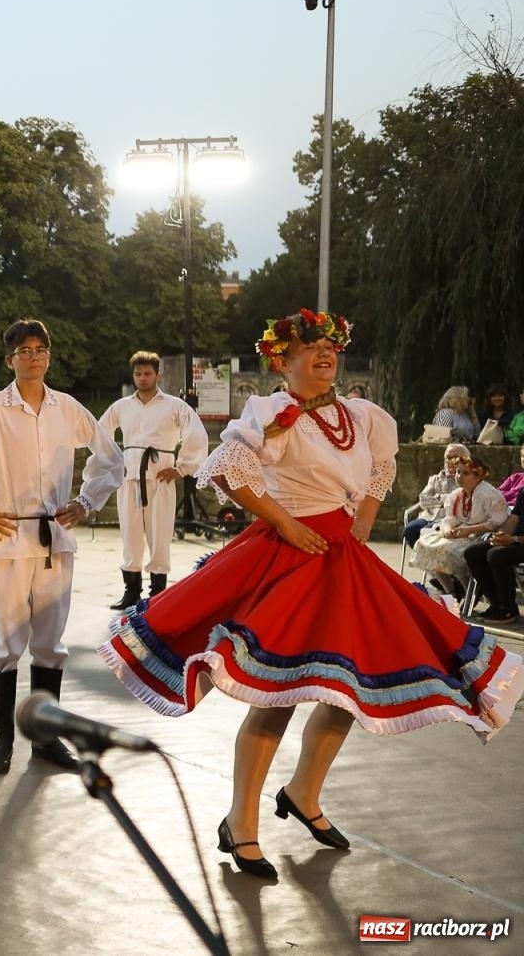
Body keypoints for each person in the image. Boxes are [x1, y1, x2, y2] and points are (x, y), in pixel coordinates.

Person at [100, 309, 521, 881]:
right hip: (288, 553)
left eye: (331, 346)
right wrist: (287, 522)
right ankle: (240, 823)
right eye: (311, 347)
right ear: (284, 359)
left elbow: (378, 474)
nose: (325, 355)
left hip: (340, 555)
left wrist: (358, 531)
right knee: (277, 694)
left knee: (347, 685)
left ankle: (303, 792)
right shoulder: (271, 411)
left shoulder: (364, 416)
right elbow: (230, 470)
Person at [0, 319, 125, 773]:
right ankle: (1, 740)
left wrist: (86, 501)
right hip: (7, 536)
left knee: (50, 643)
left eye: (40, 349)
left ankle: (46, 739)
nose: (33, 357)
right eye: (24, 350)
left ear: (49, 356)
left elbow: (109, 457)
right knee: (6, 641)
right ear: (9, 359)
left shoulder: (67, 408)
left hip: (55, 534)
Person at [97, 350, 208, 611]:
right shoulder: (121, 406)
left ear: (158, 375)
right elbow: (99, 434)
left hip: (161, 479)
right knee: (130, 535)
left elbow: (197, 435)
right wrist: (113, 464)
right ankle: (131, 592)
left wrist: (181, 468)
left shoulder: (174, 406)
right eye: (138, 373)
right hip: (130, 478)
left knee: (160, 535)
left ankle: (158, 593)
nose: (142, 378)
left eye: (147, 373)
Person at [410, 460, 508, 596]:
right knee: (425, 545)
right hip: (461, 533)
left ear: (478, 476)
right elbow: (450, 518)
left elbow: (496, 522)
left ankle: (468, 590)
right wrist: (447, 529)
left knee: (450, 551)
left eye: (465, 473)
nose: (459, 476)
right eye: (458, 472)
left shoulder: (489, 495)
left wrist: (470, 530)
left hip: (481, 535)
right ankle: (450, 590)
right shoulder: (457, 495)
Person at [464, 480, 524, 624]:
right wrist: (501, 534)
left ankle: (508, 608)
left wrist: (514, 539)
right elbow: (514, 520)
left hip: (520, 541)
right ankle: (496, 603)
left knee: (496, 555)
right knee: (473, 552)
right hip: (516, 540)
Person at [403, 443, 472, 548]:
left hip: (450, 520)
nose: (450, 461)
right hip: (428, 517)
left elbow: (460, 498)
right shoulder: (435, 479)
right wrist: (444, 500)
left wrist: (436, 499)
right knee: (410, 530)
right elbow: (423, 500)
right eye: (448, 457)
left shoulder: (466, 479)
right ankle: (422, 559)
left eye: (455, 457)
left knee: (433, 533)